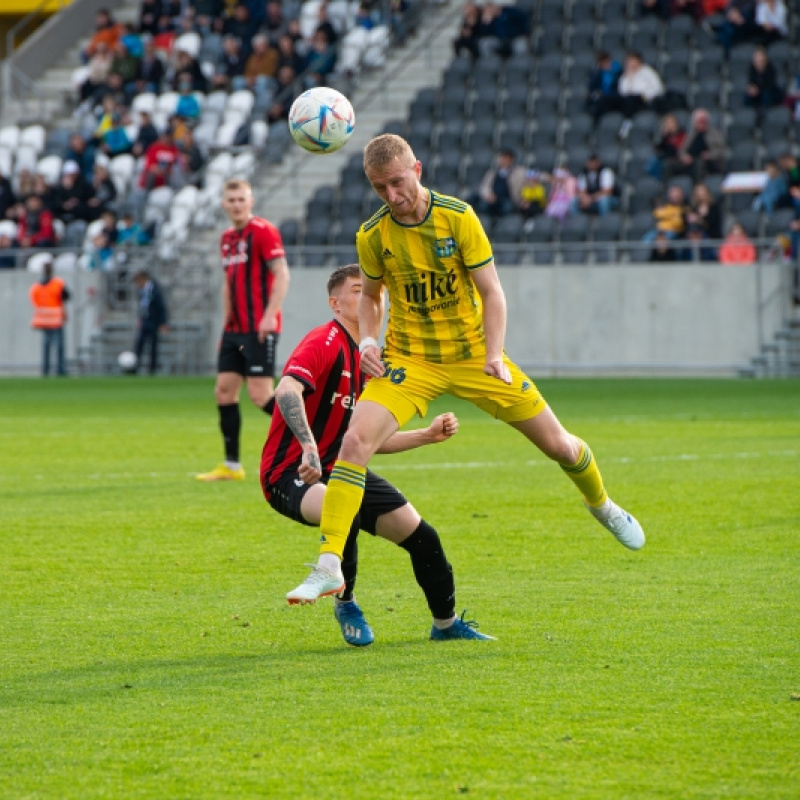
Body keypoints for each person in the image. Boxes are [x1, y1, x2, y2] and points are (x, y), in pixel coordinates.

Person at [286, 134, 645, 605]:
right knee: (354, 442)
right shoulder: (372, 235)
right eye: (379, 188)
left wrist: (494, 354)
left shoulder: (458, 217)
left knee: (560, 445)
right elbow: (372, 296)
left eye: (397, 183)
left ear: (417, 170)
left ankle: (601, 504)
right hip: (410, 360)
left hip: (475, 355)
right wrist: (370, 340)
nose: (391, 196)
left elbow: (492, 292)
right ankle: (329, 563)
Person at [263, 264, 494, 643]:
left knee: (424, 537)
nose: (374, 297)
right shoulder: (323, 341)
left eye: (377, 291)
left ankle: (446, 625)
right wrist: (308, 446)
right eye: (359, 290)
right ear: (335, 303)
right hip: (289, 472)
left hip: (343, 471)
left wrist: (427, 435)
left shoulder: (375, 363)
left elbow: (367, 441)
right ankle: (346, 601)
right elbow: (286, 390)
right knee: (344, 506)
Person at [197, 179, 290, 482]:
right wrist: (225, 325)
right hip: (235, 331)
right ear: (224, 204)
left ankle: (313, 434)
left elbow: (281, 273)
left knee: (261, 395)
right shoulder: (226, 238)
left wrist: (269, 315)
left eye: (241, 199)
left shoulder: (263, 231)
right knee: (224, 391)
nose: (236, 204)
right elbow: (228, 284)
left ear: (250, 202)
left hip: (259, 329)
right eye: (231, 200)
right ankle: (232, 466)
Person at [29, 255, 70, 376]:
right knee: (59, 346)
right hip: (55, 319)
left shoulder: (36, 287)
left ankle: (45, 370)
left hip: (43, 319)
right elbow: (66, 296)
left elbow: (34, 300)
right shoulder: (58, 283)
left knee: (46, 346)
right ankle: (60, 370)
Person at [468, 148, 529, 219]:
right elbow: (485, 186)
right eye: (502, 158)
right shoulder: (492, 172)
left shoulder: (519, 172)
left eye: (506, 158)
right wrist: (488, 195)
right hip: (492, 198)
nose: (503, 160)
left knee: (507, 207)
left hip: (508, 199)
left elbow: (535, 175)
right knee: (482, 206)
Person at [671, 108, 726, 182]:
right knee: (669, 165)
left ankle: (698, 186)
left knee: (699, 164)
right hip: (690, 160)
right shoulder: (691, 134)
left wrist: (710, 155)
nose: (702, 124)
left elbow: (722, 150)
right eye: (700, 122)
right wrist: (684, 156)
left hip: (707, 162)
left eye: (704, 121)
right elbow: (681, 150)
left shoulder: (715, 134)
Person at [133, 269, 169, 374]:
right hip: (145, 320)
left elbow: (161, 306)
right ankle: (135, 367)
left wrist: (163, 322)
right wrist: (140, 317)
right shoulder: (142, 290)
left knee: (153, 346)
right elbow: (143, 305)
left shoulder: (155, 289)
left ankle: (152, 369)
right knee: (139, 345)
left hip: (153, 321)